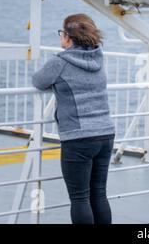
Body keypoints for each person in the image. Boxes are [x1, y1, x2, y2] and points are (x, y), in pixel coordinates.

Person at [32, 14, 115, 224]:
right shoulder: (98, 57)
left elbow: (38, 81)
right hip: (105, 133)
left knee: (79, 198)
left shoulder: (59, 62)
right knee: (99, 194)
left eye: (62, 33)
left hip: (78, 138)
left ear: (68, 38)